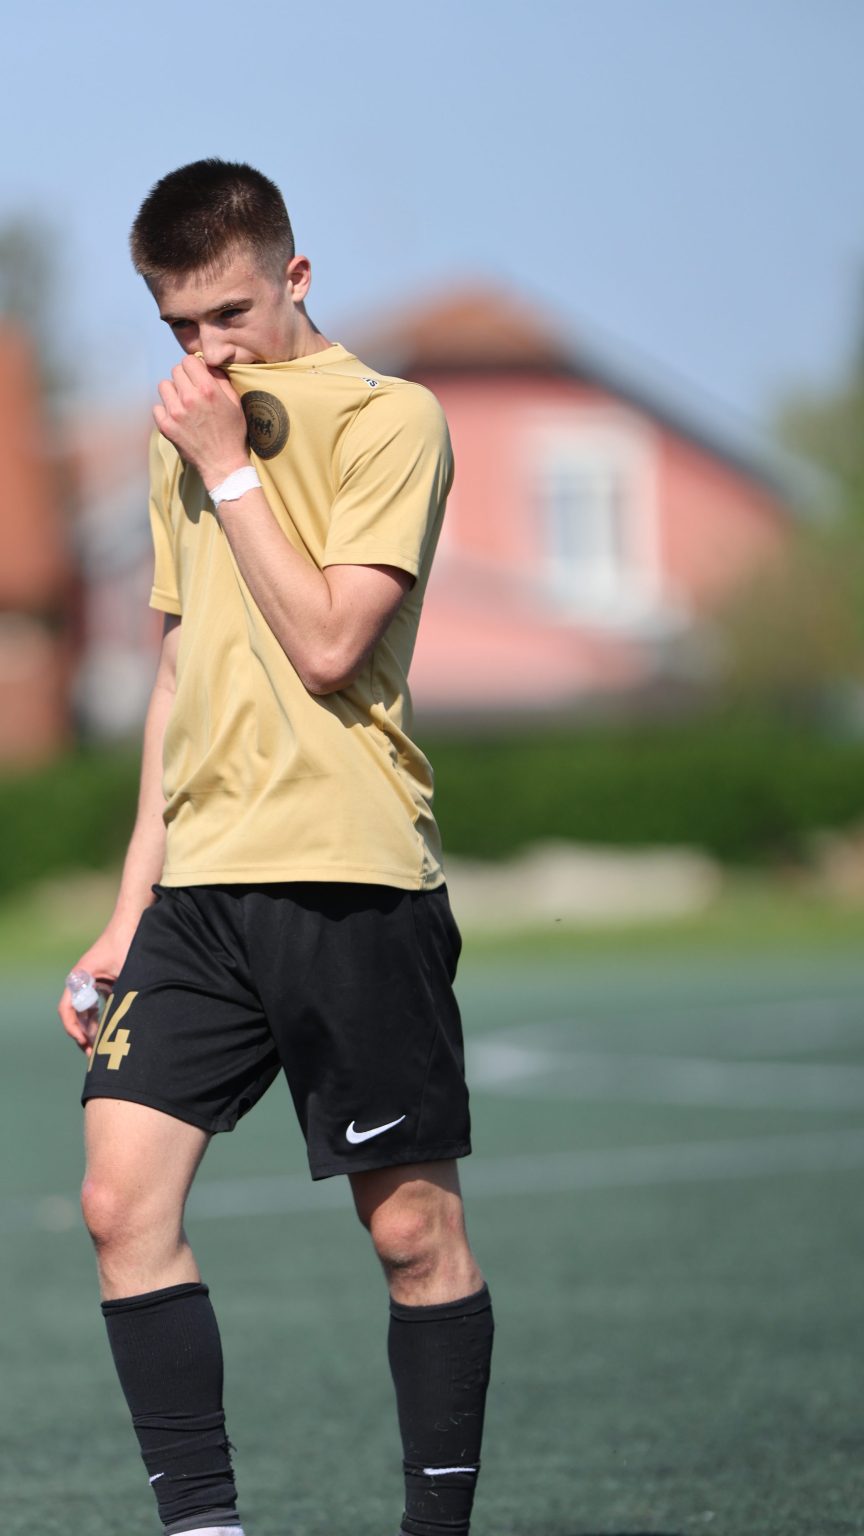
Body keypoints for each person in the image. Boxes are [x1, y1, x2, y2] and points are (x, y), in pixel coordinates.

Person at [58, 158, 493, 1536]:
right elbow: (179, 674)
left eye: (231, 315)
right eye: (179, 326)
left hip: (350, 880)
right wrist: (127, 909)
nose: (207, 352)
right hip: (197, 896)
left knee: (411, 1233)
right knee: (118, 1205)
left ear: (294, 277)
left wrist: (228, 464)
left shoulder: (392, 418)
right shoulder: (179, 435)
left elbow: (327, 644)